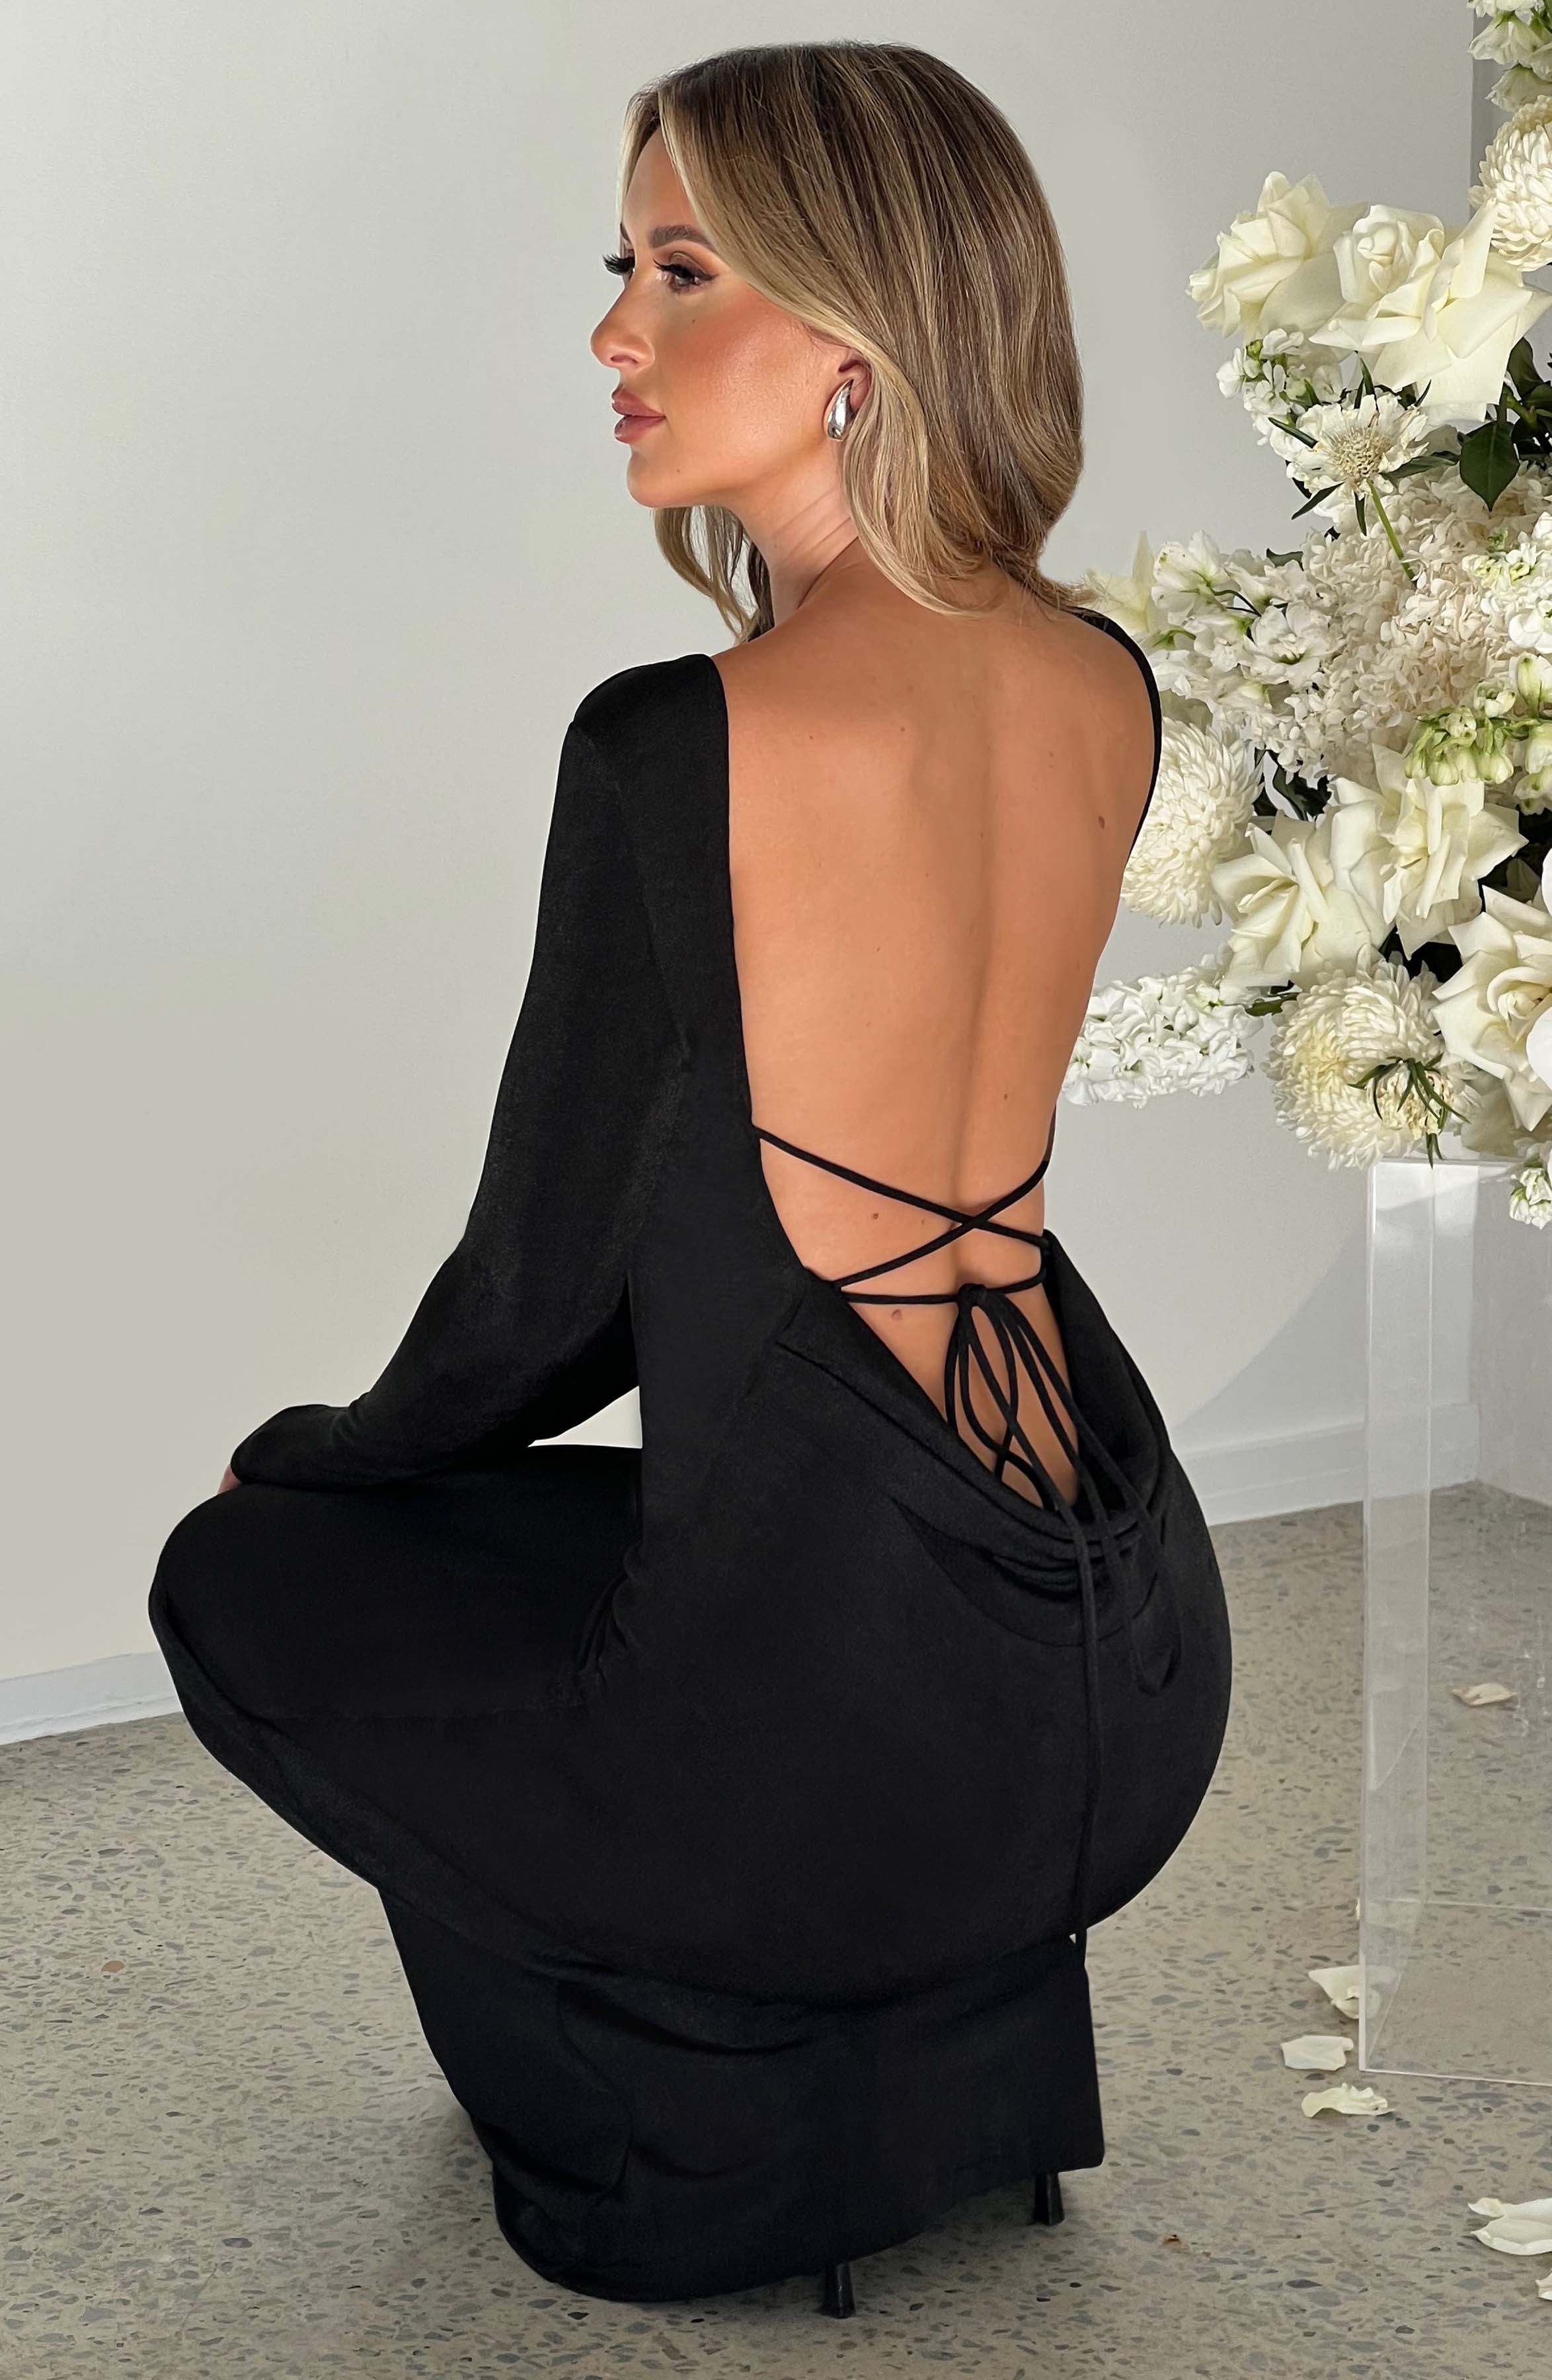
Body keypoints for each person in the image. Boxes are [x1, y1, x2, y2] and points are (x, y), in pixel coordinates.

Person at [149, 38, 1231, 2307]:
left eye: (678, 272)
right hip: (1120, 1679)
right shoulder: (1099, 680)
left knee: (249, 1572)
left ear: (857, 335)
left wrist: (312, 1462)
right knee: (529, 1530)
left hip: (830, 1758)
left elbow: (545, 1294)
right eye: (620, 268)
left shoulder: (681, 741)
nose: (611, 336)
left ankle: (679, 2114)